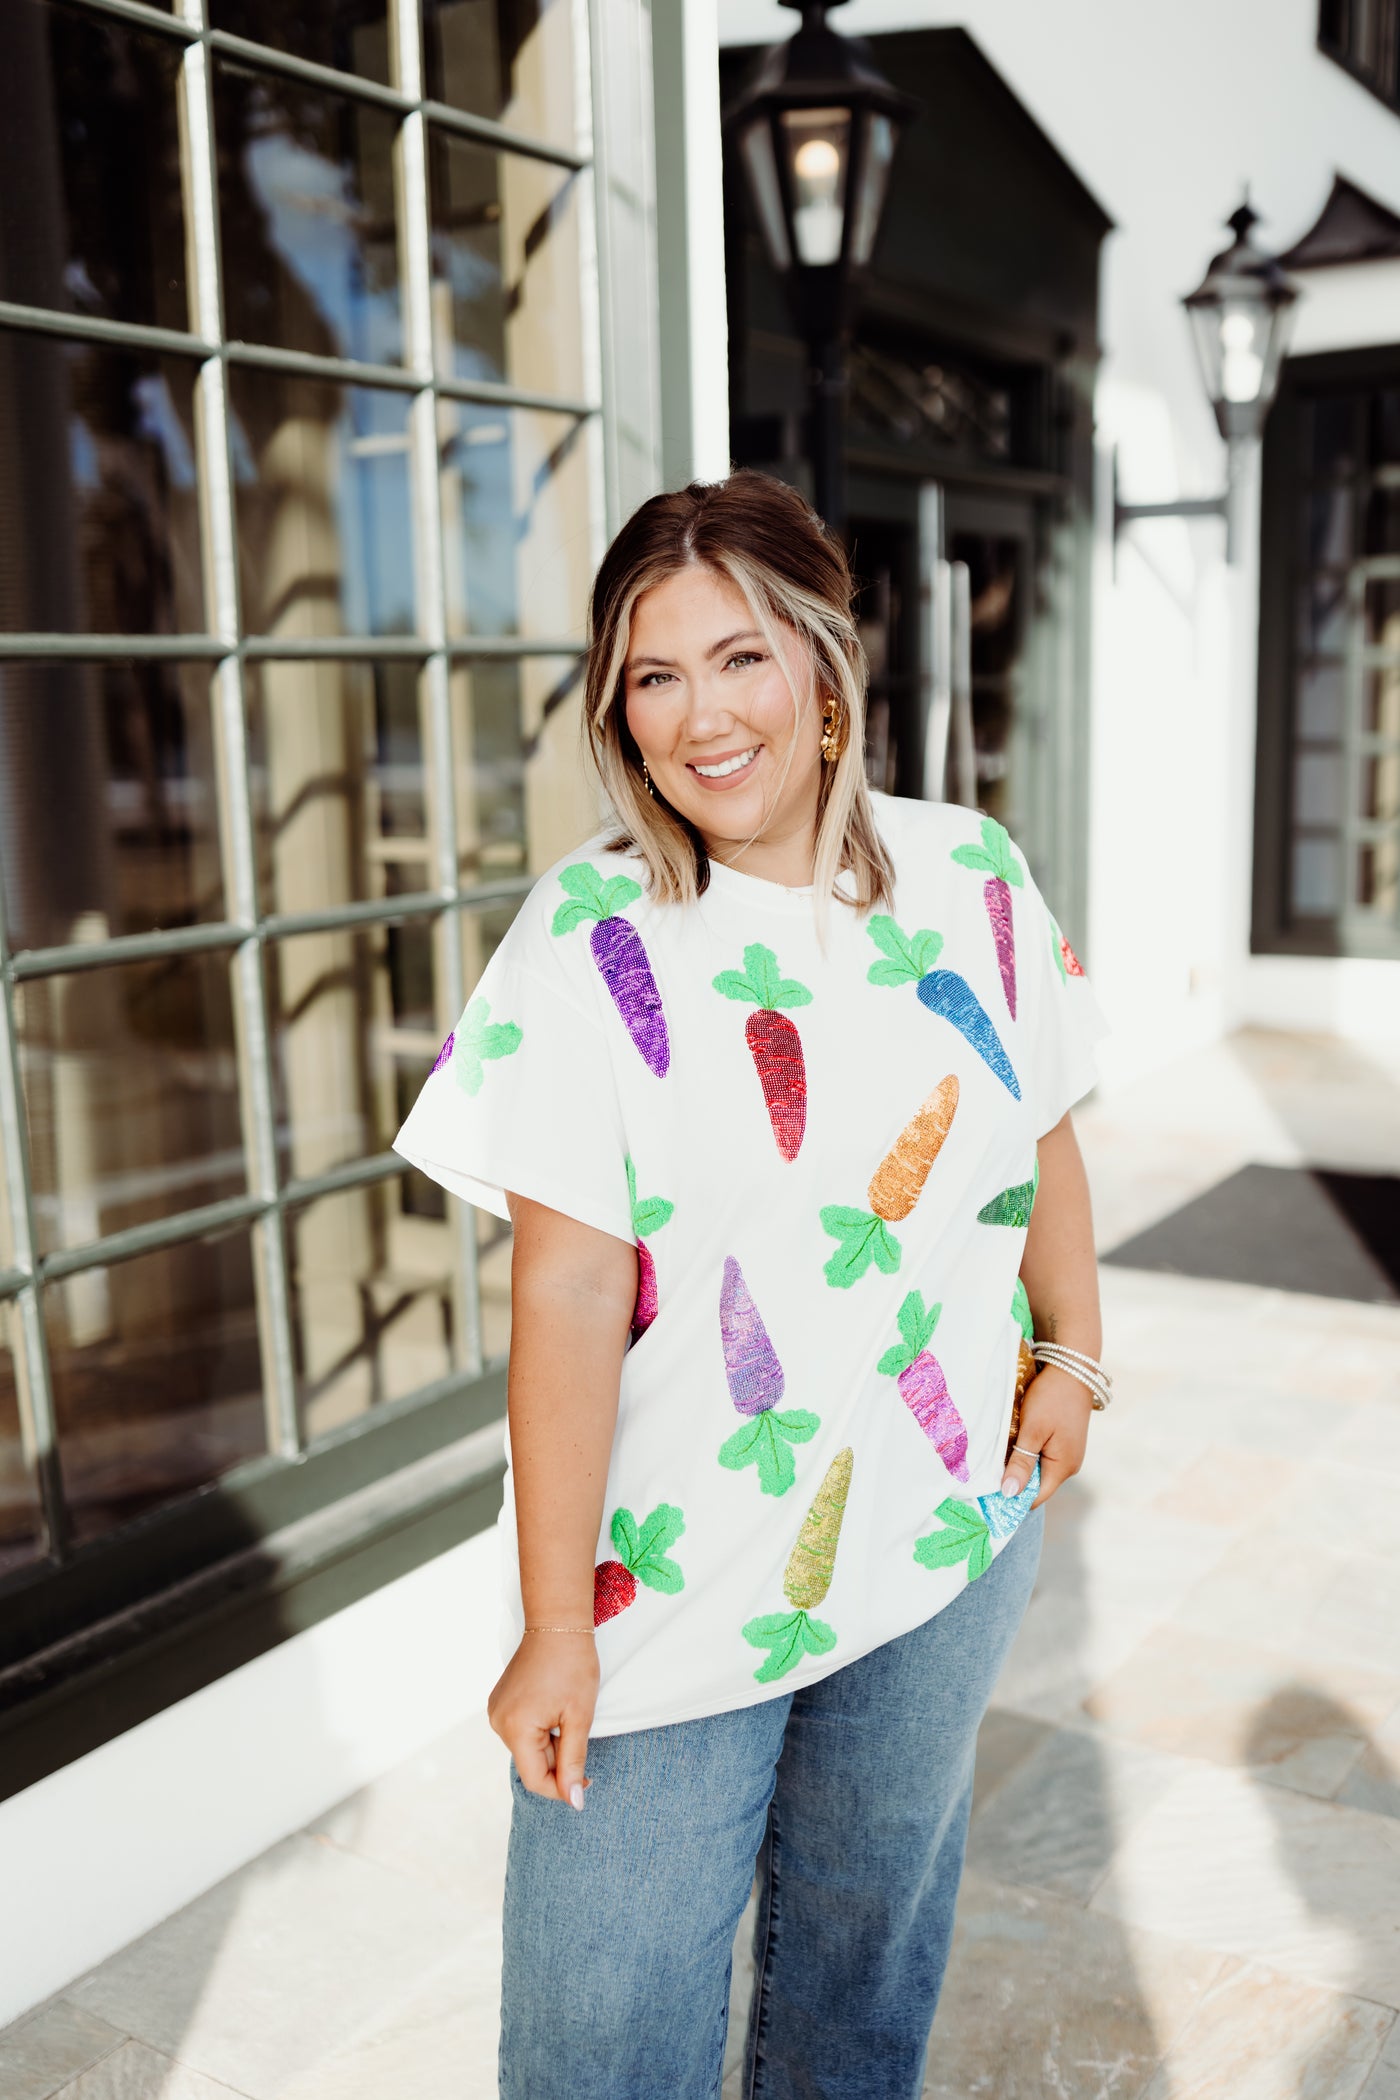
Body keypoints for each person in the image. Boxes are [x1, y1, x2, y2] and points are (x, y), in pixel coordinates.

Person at [394, 470, 1114, 2100]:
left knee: (858, 1990)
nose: (700, 717)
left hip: (938, 1545)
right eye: (654, 676)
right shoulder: (590, 936)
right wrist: (556, 1627)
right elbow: (567, 1299)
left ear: (822, 668)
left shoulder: (975, 875)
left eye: (738, 660)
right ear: (619, 711)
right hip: (672, 1589)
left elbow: (1042, 1125)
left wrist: (1076, 1354)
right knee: (604, 2040)